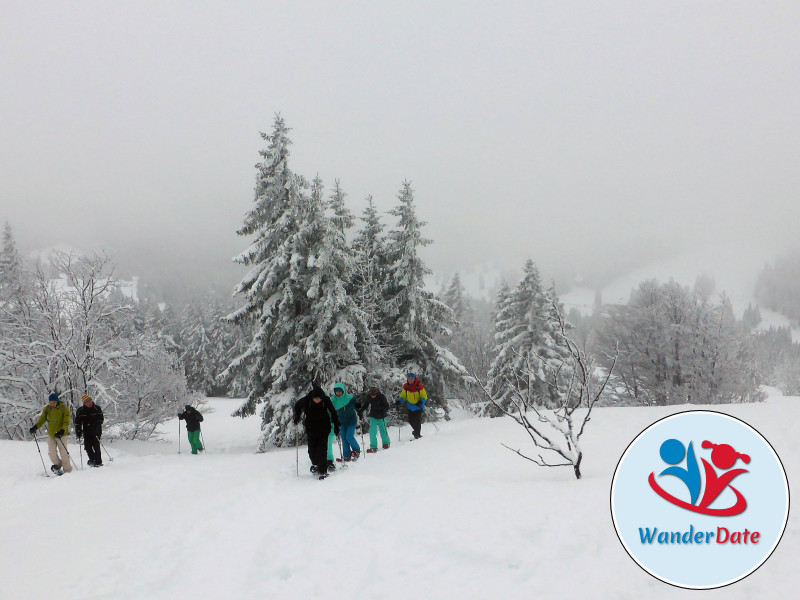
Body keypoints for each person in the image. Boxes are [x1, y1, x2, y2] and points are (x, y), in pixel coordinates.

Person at [293, 384, 341, 479]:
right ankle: (315, 465)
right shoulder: (307, 400)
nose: (317, 401)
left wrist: (336, 426)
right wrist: (297, 417)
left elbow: (333, 412)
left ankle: (323, 471)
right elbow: (297, 406)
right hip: (311, 429)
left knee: (322, 450)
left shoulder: (326, 400)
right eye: (315, 399)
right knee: (311, 451)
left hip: (324, 429)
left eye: (319, 399)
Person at [29, 392, 73, 475]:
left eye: (53, 402)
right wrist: (35, 427)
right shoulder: (47, 409)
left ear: (57, 401)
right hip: (52, 434)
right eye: (50, 402)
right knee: (51, 452)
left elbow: (66, 421)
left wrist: (62, 430)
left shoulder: (64, 408)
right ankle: (58, 465)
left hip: (62, 434)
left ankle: (67, 470)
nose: (51, 404)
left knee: (63, 452)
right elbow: (42, 420)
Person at [331, 382, 360, 461]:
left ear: (343, 391)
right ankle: (346, 455)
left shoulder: (349, 398)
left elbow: (356, 405)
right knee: (343, 438)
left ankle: (356, 451)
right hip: (342, 422)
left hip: (351, 420)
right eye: (337, 391)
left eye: (340, 391)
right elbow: (330, 409)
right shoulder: (333, 399)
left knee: (349, 437)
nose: (338, 393)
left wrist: (359, 408)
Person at [75, 393, 104, 467]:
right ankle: (92, 460)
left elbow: (101, 419)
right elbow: (77, 422)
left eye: (90, 401)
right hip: (86, 431)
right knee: (87, 447)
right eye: (87, 402)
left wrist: (96, 425)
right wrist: (78, 430)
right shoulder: (80, 411)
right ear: (84, 403)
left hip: (96, 430)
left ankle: (98, 462)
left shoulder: (97, 408)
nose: (89, 403)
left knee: (96, 446)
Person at [359, 386, 390, 453]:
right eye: (371, 395)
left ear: (377, 393)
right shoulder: (369, 397)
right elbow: (366, 405)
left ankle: (386, 443)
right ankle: (373, 447)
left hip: (382, 416)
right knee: (372, 432)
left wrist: (384, 410)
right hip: (373, 416)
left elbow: (387, 405)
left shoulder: (381, 396)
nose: (373, 396)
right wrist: (360, 410)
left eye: (374, 394)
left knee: (383, 430)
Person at [397, 373, 427, 439]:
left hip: (418, 406)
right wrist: (399, 401)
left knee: (417, 420)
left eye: (412, 378)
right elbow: (403, 395)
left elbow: (424, 396)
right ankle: (416, 432)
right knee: (410, 420)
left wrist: (421, 401)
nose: (410, 380)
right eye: (409, 378)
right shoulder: (406, 386)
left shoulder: (419, 386)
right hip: (410, 406)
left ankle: (417, 434)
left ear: (414, 379)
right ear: (407, 379)